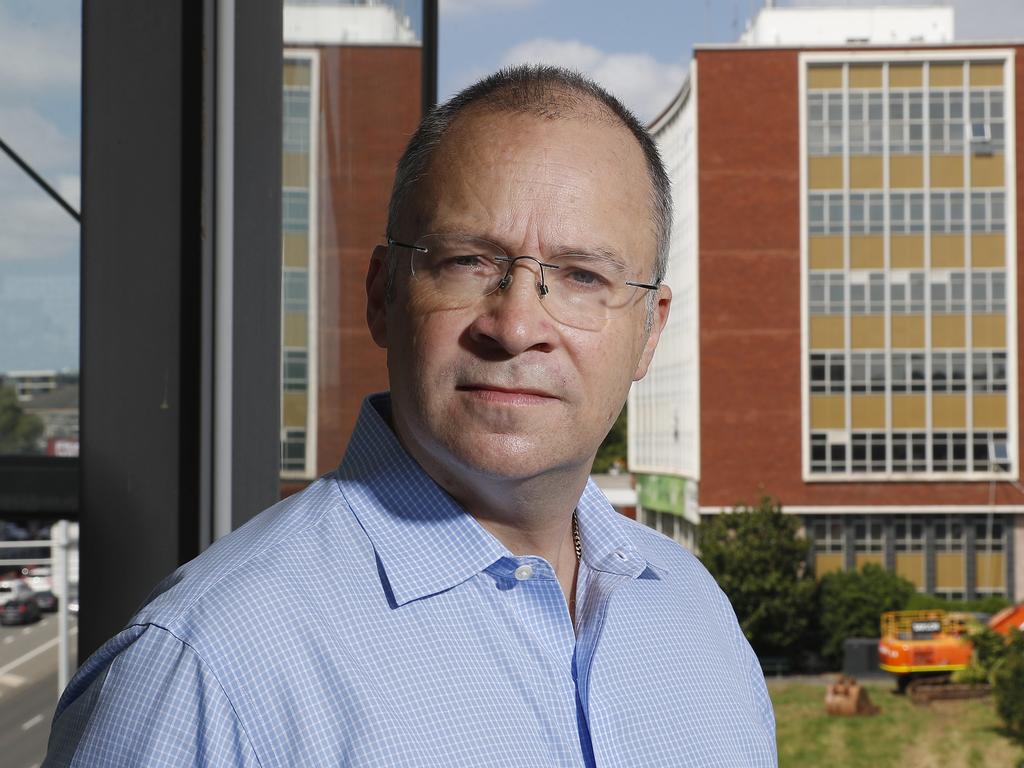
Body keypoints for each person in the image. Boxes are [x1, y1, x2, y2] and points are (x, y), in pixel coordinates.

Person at [44, 66, 776, 767]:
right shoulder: (204, 666)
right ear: (381, 295)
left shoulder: (698, 617)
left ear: (650, 330)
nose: (517, 326)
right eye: (468, 261)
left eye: (583, 277)